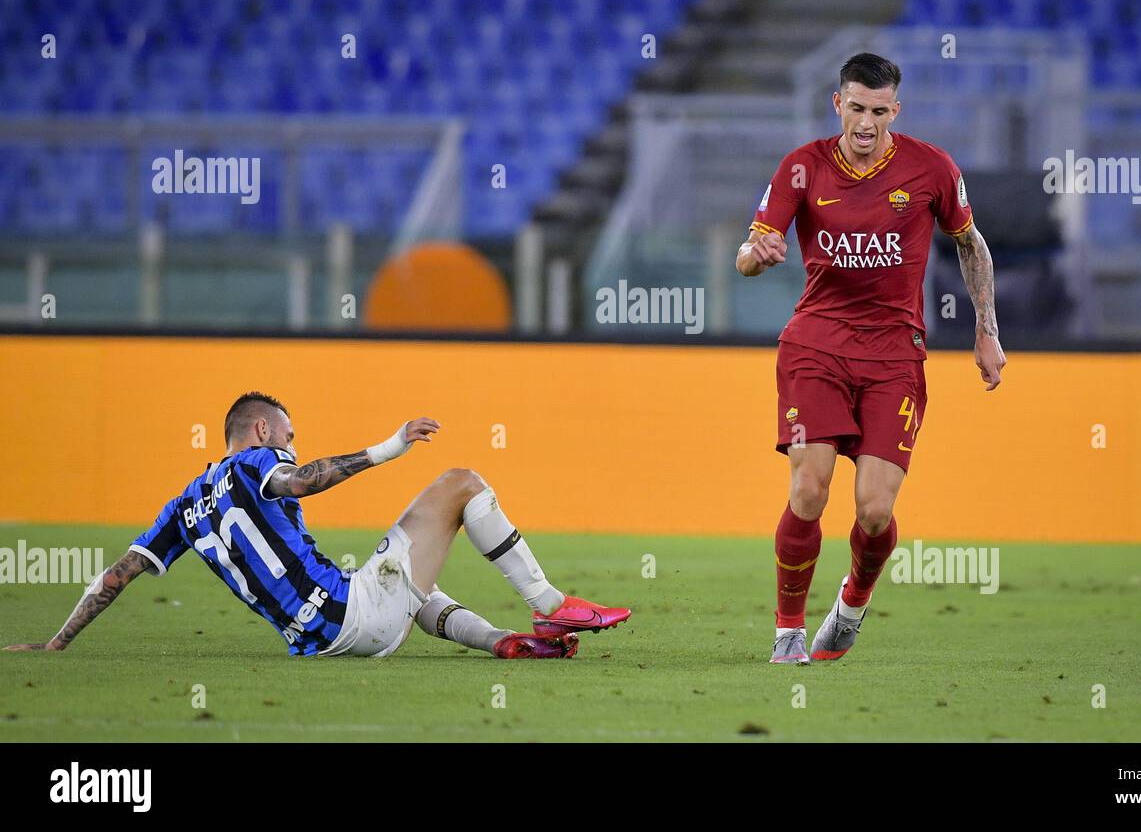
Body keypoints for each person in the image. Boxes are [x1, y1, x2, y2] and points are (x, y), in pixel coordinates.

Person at [5, 392, 630, 659]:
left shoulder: (183, 507)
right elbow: (302, 480)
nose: (291, 441)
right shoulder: (254, 461)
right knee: (463, 483)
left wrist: (56, 643)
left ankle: (500, 640)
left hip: (320, 642)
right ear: (259, 431)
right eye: (287, 433)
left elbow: (116, 577)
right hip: (352, 615)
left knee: (402, 579)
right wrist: (388, 448)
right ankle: (548, 605)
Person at [736, 53, 1005, 664]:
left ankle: (852, 603)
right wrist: (760, 253)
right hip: (816, 345)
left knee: (875, 509)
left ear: (895, 111)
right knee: (809, 489)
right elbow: (747, 258)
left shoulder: (931, 168)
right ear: (838, 104)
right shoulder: (801, 168)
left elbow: (972, 244)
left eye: (878, 111)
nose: (865, 123)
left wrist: (986, 329)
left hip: (894, 355)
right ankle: (788, 632)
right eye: (855, 108)